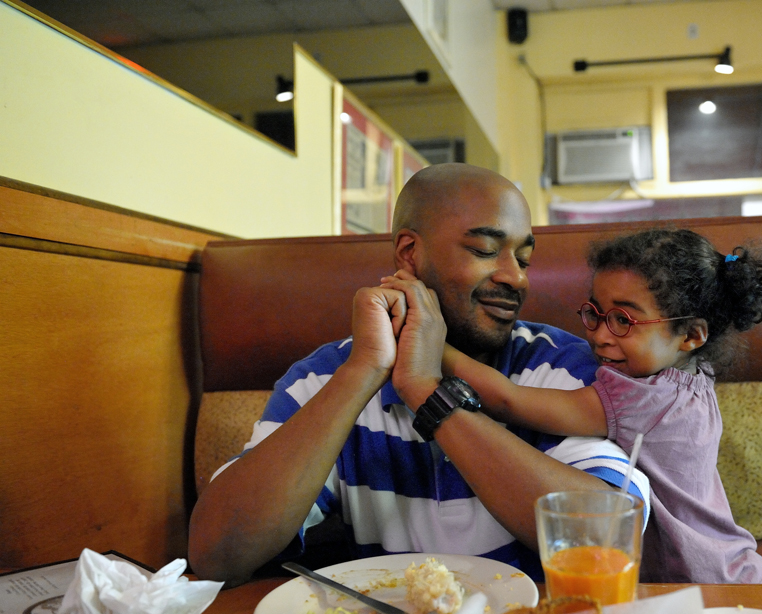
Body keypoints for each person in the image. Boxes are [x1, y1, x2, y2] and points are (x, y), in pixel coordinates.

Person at [187, 163, 650, 585]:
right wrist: (365, 371)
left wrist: (427, 391)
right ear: (409, 254)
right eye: (487, 250)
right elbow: (218, 555)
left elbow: (605, 537)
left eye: (523, 259)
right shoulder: (324, 378)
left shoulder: (557, 364)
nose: (517, 278)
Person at [424, 228, 762, 584]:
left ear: (691, 335)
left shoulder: (643, 397)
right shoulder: (690, 376)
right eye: (596, 313)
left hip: (702, 580)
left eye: (624, 320)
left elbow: (508, 399)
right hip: (731, 568)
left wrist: (430, 345)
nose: (599, 335)